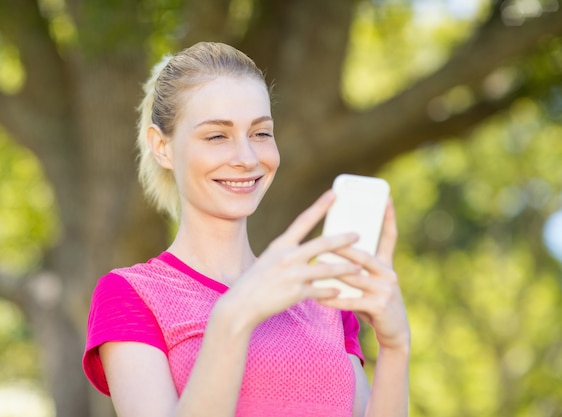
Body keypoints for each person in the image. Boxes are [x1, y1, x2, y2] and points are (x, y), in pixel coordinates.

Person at [83, 41, 410, 417]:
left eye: (260, 133)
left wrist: (395, 345)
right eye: (217, 136)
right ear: (162, 147)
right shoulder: (132, 296)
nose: (247, 158)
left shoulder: (324, 301)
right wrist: (234, 314)